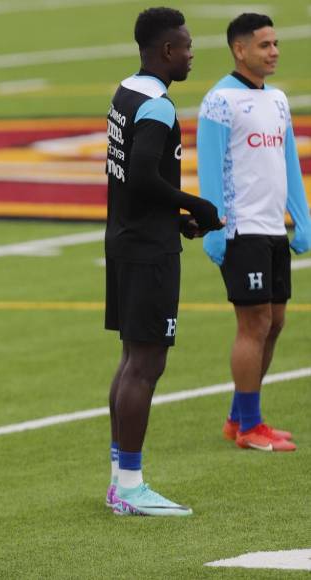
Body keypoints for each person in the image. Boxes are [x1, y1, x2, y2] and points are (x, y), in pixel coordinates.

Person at [103, 7, 223, 517]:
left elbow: (127, 184)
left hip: (129, 237)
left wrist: (172, 220)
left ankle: (118, 482)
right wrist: (197, 207)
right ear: (167, 50)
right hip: (147, 252)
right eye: (187, 46)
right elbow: (145, 177)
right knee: (147, 363)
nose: (192, 54)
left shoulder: (124, 92)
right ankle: (130, 487)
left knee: (132, 359)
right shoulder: (158, 106)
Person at [197, 13, 309, 453]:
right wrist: (215, 228)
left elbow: (288, 163)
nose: (274, 51)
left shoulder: (278, 100)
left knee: (275, 322)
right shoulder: (220, 102)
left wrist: (301, 217)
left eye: (276, 43)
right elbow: (210, 167)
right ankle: (250, 428)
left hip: (272, 230)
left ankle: (237, 417)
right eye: (264, 45)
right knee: (254, 323)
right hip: (241, 229)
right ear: (239, 50)